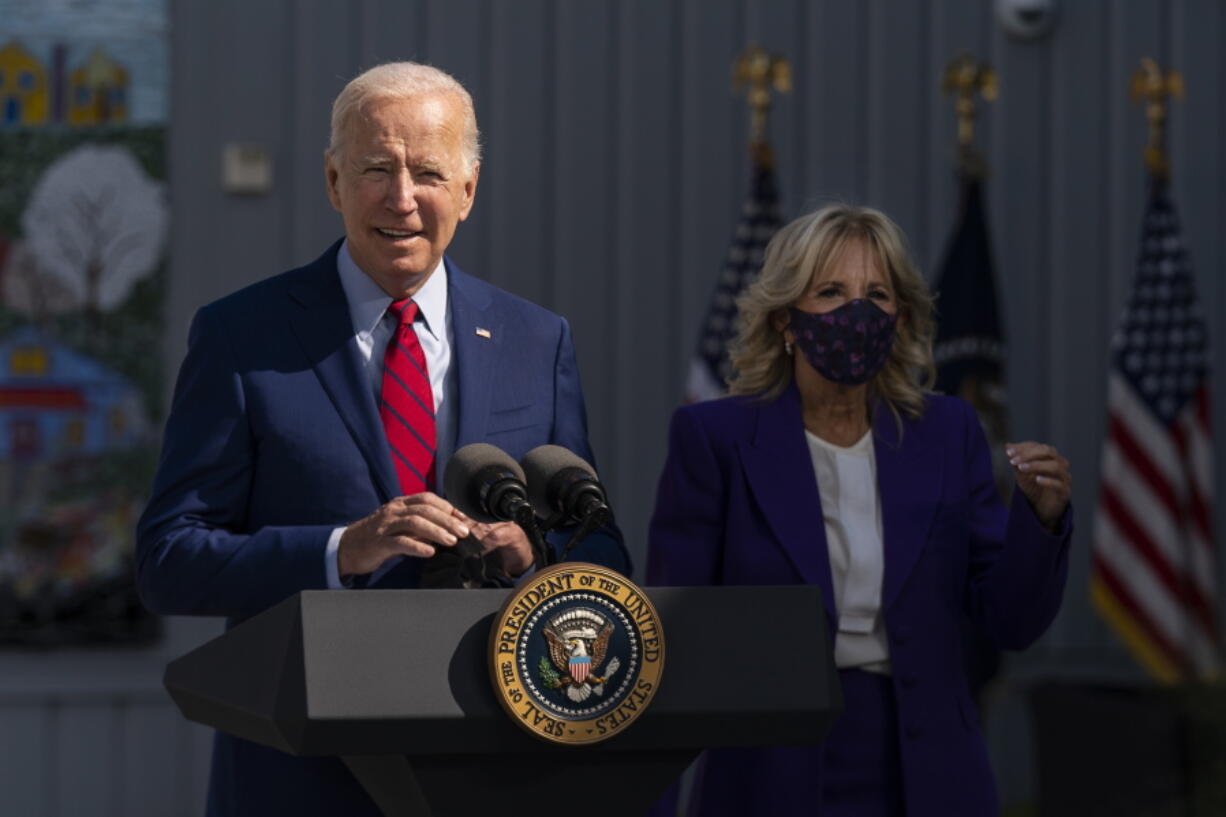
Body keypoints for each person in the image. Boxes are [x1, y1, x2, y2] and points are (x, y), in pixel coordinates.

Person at [136, 62, 629, 816]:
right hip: (300, 775)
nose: (402, 198)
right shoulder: (243, 335)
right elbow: (168, 559)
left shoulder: (537, 340)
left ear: (467, 190)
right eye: (376, 168)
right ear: (334, 182)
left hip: (495, 766)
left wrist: (539, 558)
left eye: (428, 171)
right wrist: (342, 550)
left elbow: (601, 552)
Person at [647, 203, 1071, 816]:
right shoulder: (715, 440)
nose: (858, 312)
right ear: (786, 320)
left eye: (877, 294)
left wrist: (1042, 522)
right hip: (768, 774)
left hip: (928, 771)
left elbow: (1010, 622)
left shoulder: (948, 433)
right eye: (831, 291)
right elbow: (674, 640)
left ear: (900, 319)